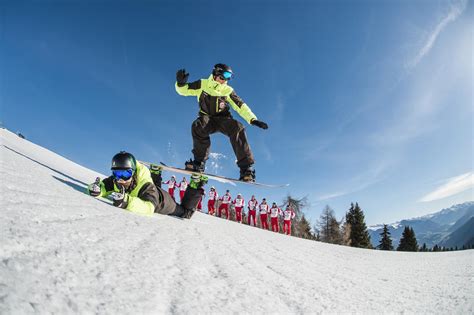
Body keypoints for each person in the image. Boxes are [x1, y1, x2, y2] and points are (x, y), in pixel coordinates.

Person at [175, 63, 269, 182]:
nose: (225, 80)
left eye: (229, 77)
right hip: (207, 119)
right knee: (198, 126)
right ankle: (198, 163)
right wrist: (180, 83)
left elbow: (240, 105)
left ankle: (246, 170)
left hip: (224, 120)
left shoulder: (228, 90)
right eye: (224, 76)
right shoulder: (203, 84)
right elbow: (184, 90)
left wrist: (252, 119)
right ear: (216, 73)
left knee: (237, 127)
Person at [87, 151, 207, 218]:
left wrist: (127, 202)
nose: (121, 179)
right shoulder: (116, 180)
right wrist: (97, 189)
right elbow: (104, 186)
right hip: (154, 190)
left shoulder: (145, 186)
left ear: (133, 172)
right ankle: (155, 173)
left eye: (126, 174)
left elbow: (149, 207)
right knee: (155, 187)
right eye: (117, 173)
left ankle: (195, 185)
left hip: (163, 202)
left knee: (186, 213)